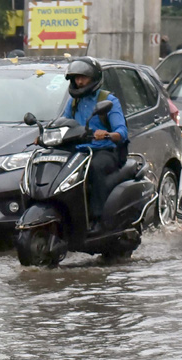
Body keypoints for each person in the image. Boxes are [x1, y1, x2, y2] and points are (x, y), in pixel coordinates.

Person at [61, 57, 127, 231]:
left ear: (94, 78)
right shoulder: (73, 102)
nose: (79, 81)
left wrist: (106, 134)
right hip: (79, 151)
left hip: (103, 151)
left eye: (83, 77)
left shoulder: (108, 100)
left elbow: (122, 132)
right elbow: (64, 122)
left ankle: (98, 219)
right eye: (76, 78)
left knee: (95, 168)